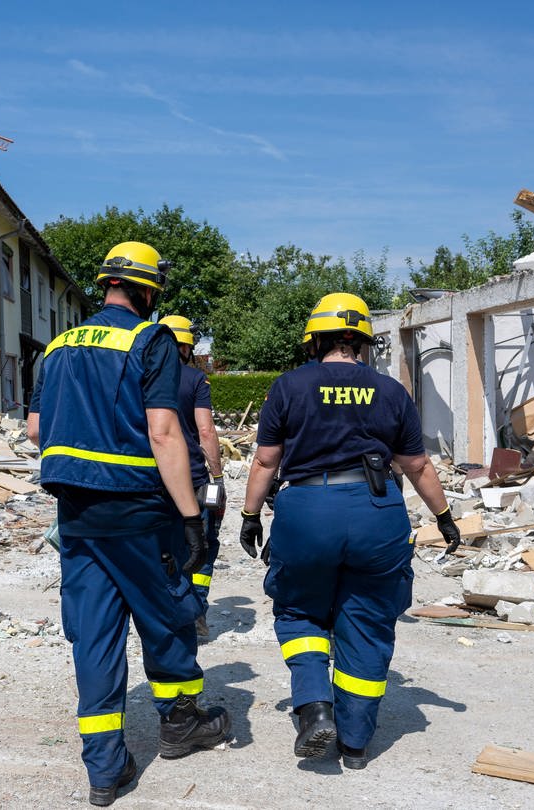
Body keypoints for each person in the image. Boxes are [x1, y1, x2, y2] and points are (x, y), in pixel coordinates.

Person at [28, 242, 231, 806]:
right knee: (166, 613)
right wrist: (192, 515)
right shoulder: (151, 339)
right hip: (139, 511)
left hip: (77, 515)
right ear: (147, 291)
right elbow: (165, 432)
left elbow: (34, 431)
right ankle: (180, 724)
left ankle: (104, 768)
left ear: (105, 284)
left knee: (93, 633)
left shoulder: (61, 344)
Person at [237, 292, 459, 771]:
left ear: (315, 340)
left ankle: (315, 707)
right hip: (375, 511)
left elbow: (265, 460)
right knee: (369, 618)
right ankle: (356, 744)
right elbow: (417, 465)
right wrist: (444, 517)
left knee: (298, 611)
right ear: (361, 341)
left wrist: (250, 515)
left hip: (305, 510)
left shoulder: (289, 386)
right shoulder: (392, 391)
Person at [158, 315, 226, 639]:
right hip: (194, 480)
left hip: (154, 480)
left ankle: (162, 612)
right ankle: (195, 614)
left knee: (161, 547)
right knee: (202, 547)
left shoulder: (144, 376)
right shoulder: (195, 380)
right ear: (186, 347)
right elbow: (206, 431)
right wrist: (218, 477)